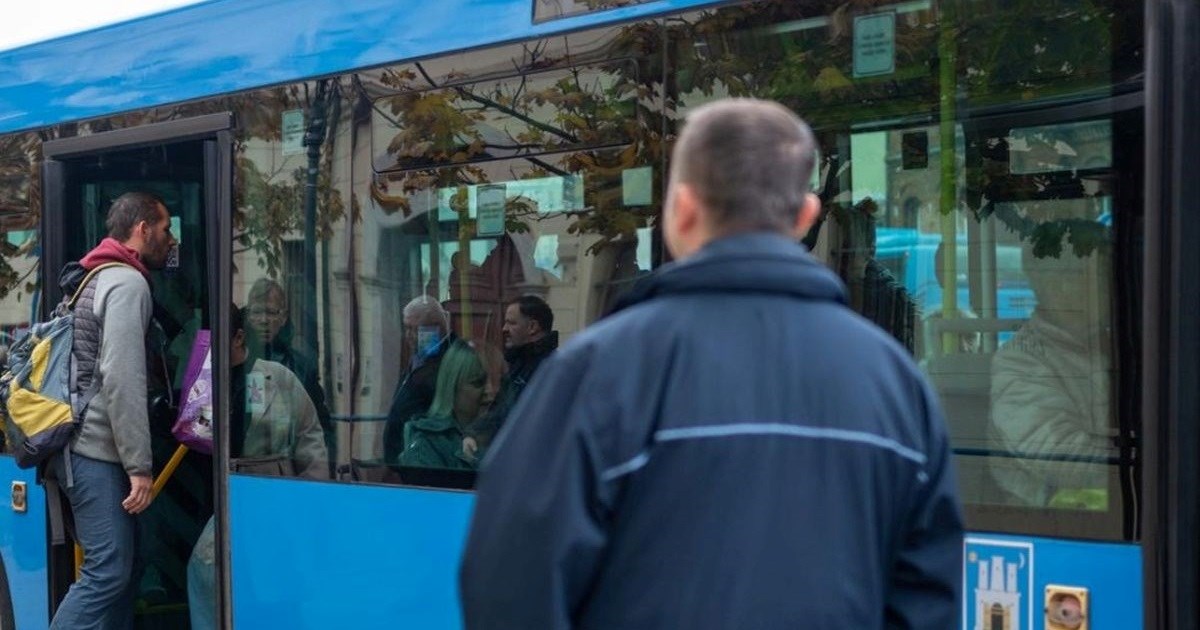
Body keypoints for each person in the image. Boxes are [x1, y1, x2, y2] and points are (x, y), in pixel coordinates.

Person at [459, 99, 963, 629]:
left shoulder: (596, 371)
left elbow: (509, 584)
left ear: (680, 208)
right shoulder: (897, 382)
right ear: (806, 215)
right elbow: (927, 597)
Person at [47, 191, 177, 630]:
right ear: (142, 229)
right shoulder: (126, 283)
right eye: (166, 228)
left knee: (130, 566)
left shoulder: (95, 274)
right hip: (94, 452)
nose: (171, 239)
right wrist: (139, 467)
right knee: (108, 572)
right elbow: (123, 379)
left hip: (86, 449)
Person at [187, 305, 329, 630]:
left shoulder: (276, 377)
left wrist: (309, 503)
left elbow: (310, 439)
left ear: (238, 338)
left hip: (272, 502)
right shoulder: (203, 382)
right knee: (210, 580)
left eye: (213, 343)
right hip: (219, 502)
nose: (207, 352)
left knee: (277, 598)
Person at [988, 241, 1114, 509]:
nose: (1103, 286)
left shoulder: (1119, 345)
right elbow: (1059, 456)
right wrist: (1144, 465)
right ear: (1045, 285)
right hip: (1055, 519)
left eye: (1102, 275)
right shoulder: (1021, 359)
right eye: (1075, 275)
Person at [245, 278, 335, 464]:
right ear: (248, 315)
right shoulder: (235, 361)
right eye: (257, 312)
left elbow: (320, 426)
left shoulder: (301, 367)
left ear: (283, 317)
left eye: (271, 312)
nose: (263, 320)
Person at [463, 296, 559, 456]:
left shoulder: (550, 369)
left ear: (532, 327)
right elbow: (501, 409)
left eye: (511, 323)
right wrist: (473, 433)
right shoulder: (519, 364)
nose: (504, 329)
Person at [383, 296, 456, 464]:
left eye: (414, 329)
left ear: (435, 327)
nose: (408, 336)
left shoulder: (450, 360)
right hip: (405, 456)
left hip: (425, 459)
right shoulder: (421, 356)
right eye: (406, 328)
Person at [397, 340, 490, 471]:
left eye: (497, 382)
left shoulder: (499, 434)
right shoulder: (426, 442)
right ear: (452, 387)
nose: (489, 391)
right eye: (478, 383)